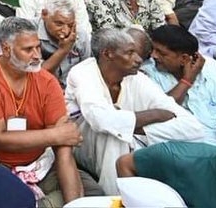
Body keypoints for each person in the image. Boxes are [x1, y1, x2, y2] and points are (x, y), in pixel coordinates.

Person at [64, 27, 207, 193]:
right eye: (130, 53)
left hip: (131, 143)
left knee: (124, 134)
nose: (139, 60)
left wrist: (137, 130)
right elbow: (101, 120)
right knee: (115, 135)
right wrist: (154, 115)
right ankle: (115, 197)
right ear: (108, 54)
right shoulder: (83, 73)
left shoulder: (137, 78)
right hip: (82, 144)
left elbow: (194, 128)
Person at [0, 17, 85, 207]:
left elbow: (64, 145)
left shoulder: (47, 81)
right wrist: (55, 135)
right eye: (28, 50)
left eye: (38, 47)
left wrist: (75, 204)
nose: (37, 56)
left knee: (94, 194)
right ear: (6, 49)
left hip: (41, 163)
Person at [145, 24, 216, 145]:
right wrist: (187, 80)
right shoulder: (149, 72)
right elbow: (163, 109)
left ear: (184, 58)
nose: (153, 56)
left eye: (161, 53)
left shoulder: (211, 67)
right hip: (181, 144)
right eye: (153, 49)